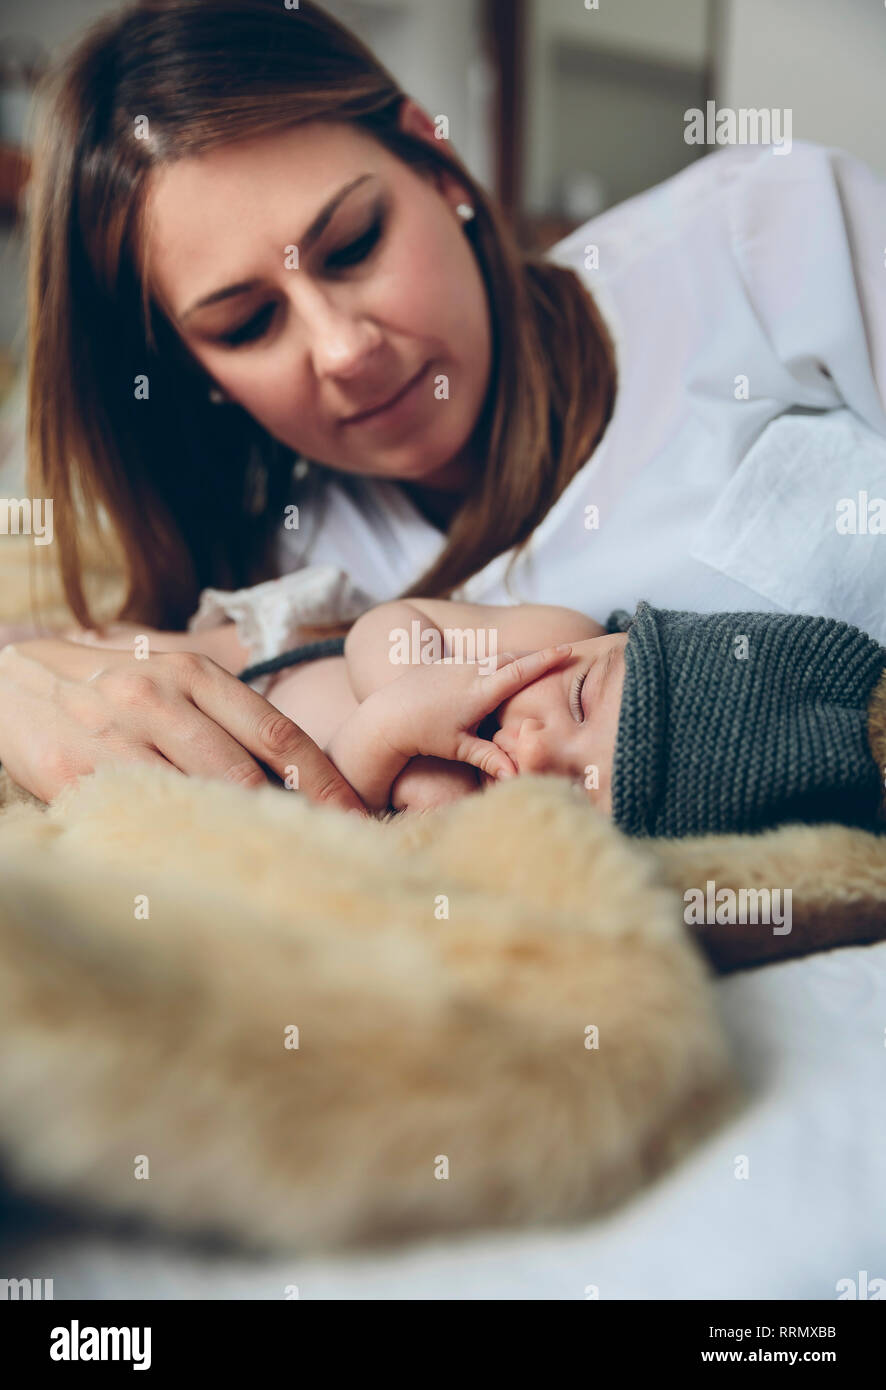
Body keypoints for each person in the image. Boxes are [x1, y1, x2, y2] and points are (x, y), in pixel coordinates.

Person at [2, 0, 885, 812]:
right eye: (248, 324)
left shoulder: (767, 235)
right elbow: (95, 657)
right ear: (197, 371)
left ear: (438, 161)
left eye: (354, 245)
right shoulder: (300, 564)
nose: (345, 350)